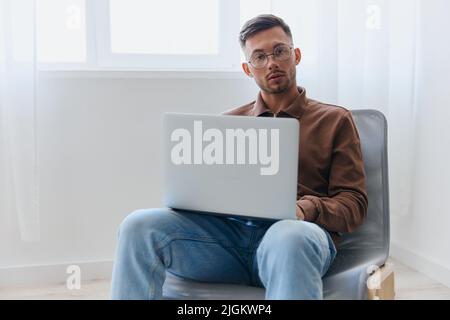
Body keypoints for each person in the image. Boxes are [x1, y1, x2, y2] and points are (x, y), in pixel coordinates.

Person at [110, 14, 368, 300]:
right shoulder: (228, 123)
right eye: (259, 57)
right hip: (226, 245)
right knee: (138, 226)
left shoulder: (335, 120)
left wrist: (303, 210)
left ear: (295, 55)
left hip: (294, 238)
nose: (271, 62)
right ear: (248, 69)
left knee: (290, 237)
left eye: (279, 51)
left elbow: (354, 205)